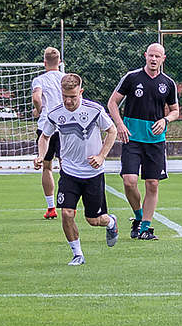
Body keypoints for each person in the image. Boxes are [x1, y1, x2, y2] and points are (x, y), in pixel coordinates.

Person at [35, 73, 119, 265]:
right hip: (69, 173)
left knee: (94, 220)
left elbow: (112, 130)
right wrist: (41, 155)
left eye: (73, 96)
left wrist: (101, 156)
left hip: (93, 174)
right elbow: (45, 137)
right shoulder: (55, 113)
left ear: (81, 92)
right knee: (66, 213)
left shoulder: (94, 110)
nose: (68, 100)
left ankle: (111, 222)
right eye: (65, 96)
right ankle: (77, 254)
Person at [108, 43, 179, 240]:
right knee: (129, 182)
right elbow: (112, 102)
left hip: (155, 141)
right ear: (145, 55)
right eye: (151, 55)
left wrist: (165, 120)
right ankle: (139, 217)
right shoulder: (132, 77)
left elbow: (175, 111)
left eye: (158, 56)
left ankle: (146, 228)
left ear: (163, 59)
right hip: (132, 138)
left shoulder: (169, 83)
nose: (154, 59)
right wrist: (120, 125)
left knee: (152, 183)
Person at [32, 47, 66, 220]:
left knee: (47, 166)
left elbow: (37, 98)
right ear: (60, 63)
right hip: (66, 125)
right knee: (66, 165)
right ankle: (68, 204)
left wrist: (39, 110)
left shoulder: (39, 80)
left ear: (44, 63)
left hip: (46, 125)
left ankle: (51, 207)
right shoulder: (66, 79)